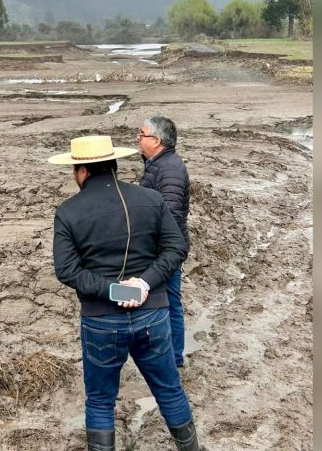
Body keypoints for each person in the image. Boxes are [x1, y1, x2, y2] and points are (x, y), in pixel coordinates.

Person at [49, 135, 201, 451]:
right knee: (170, 390)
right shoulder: (150, 199)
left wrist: (116, 290)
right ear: (114, 163)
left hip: (101, 321)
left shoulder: (68, 211)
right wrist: (143, 284)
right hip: (152, 314)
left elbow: (67, 271)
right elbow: (176, 247)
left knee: (100, 401)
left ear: (81, 171)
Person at [137, 116, 191, 369]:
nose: (138, 138)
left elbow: (171, 215)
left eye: (142, 134)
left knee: (169, 301)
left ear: (156, 140)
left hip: (166, 250)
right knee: (165, 300)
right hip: (161, 247)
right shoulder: (157, 164)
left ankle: (174, 357)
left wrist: (156, 249)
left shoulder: (169, 169)